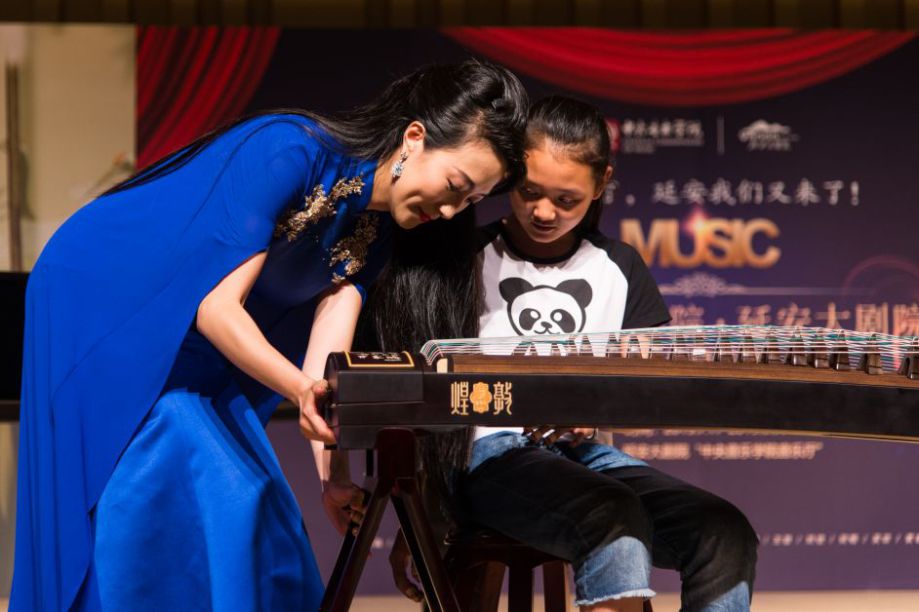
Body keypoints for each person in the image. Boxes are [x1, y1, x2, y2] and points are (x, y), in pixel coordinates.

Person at [11, 60, 528, 611]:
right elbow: (217, 308)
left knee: (263, 505)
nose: (449, 211)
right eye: (455, 186)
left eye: (469, 202)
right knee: (212, 484)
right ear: (415, 138)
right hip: (105, 293)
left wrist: (334, 476)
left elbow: (327, 367)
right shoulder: (289, 149)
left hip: (195, 338)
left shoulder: (375, 236)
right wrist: (300, 391)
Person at [385, 95, 758, 612]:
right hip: (485, 456)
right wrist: (420, 512)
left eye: (567, 199)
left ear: (601, 184)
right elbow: (423, 390)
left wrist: (597, 405)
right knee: (611, 513)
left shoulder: (619, 267)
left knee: (722, 530)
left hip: (581, 456)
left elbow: (646, 383)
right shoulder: (465, 259)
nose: (543, 212)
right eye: (529, 191)